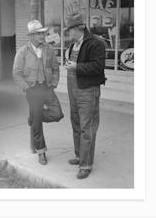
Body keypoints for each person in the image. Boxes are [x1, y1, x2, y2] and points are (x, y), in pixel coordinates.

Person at [13, 20, 64, 165]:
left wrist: (54, 83)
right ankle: (41, 152)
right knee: (37, 123)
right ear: (31, 36)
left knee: (57, 114)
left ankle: (33, 118)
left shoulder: (49, 49)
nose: (42, 35)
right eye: (39, 33)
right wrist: (27, 88)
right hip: (32, 90)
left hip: (47, 88)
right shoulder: (23, 52)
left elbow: (55, 68)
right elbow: (16, 73)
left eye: (43, 33)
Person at [64, 13, 106, 179]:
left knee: (87, 127)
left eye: (70, 30)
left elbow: (98, 67)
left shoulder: (95, 43)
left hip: (88, 90)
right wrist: (71, 65)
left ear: (79, 28)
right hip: (73, 87)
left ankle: (86, 165)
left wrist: (76, 66)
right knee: (75, 122)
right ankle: (79, 155)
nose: (68, 34)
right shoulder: (73, 45)